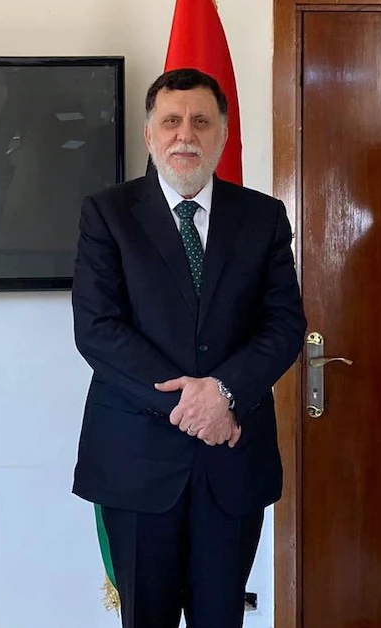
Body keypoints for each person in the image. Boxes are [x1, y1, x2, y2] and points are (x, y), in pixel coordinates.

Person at [71, 68, 306, 628]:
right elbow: (98, 328)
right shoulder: (108, 214)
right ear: (149, 135)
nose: (185, 134)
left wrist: (224, 393)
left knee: (221, 617)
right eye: (171, 121)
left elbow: (283, 324)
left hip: (233, 457)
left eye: (201, 121)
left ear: (222, 134)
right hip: (136, 462)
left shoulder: (263, 217)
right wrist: (194, 406)